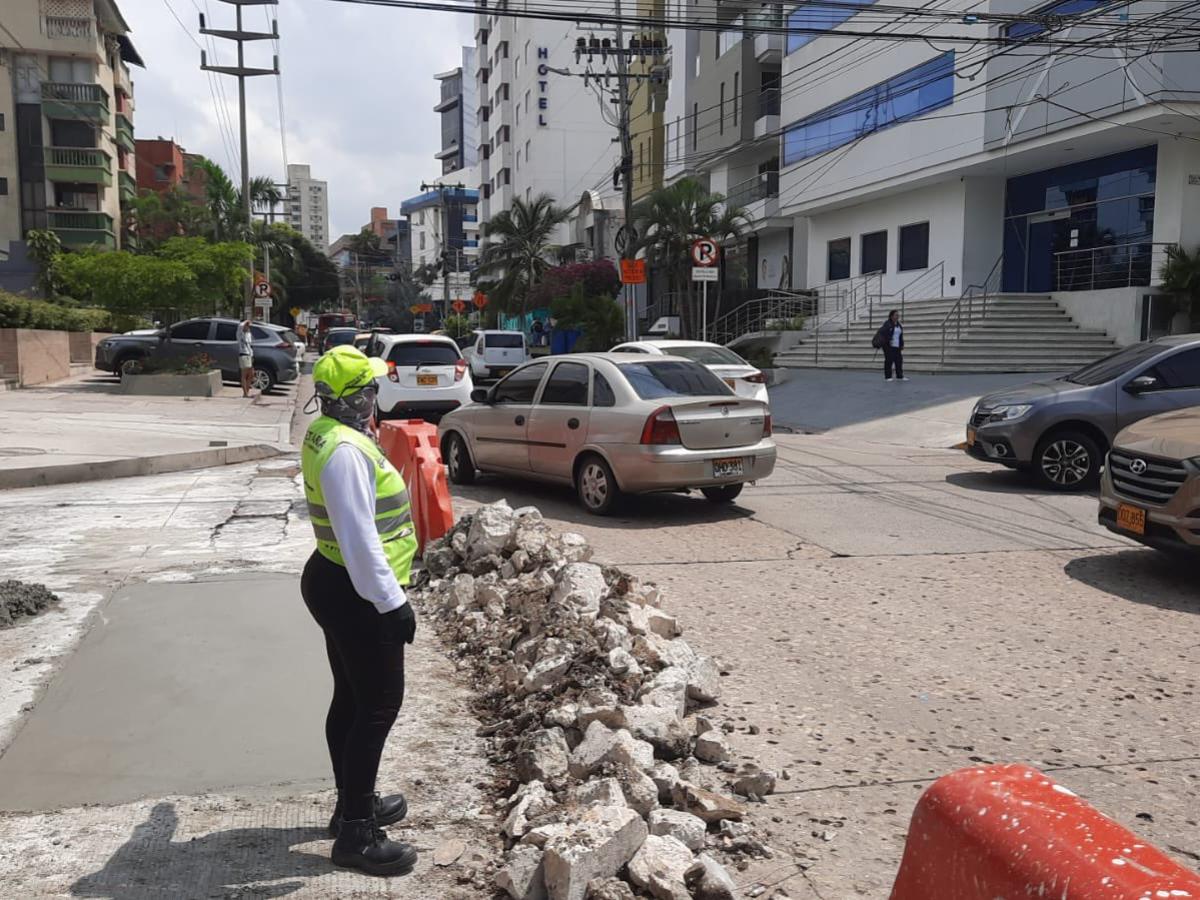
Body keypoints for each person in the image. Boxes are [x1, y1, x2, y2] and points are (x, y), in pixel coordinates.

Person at [300, 345, 419, 877]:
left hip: (336, 582)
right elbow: (359, 539)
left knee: (350, 700)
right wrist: (392, 604)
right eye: (370, 388)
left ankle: (354, 803)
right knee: (377, 706)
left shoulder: (329, 433)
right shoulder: (346, 451)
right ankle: (355, 835)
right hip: (356, 589)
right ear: (356, 397)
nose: (377, 395)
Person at [879, 309, 908, 382]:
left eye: (898, 315)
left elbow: (900, 336)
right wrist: (888, 340)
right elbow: (883, 334)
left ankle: (899, 375)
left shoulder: (899, 325)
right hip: (889, 346)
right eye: (896, 315)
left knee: (899, 361)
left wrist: (902, 344)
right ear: (891, 316)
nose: (898, 316)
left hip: (897, 346)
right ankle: (888, 376)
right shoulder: (887, 324)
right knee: (889, 361)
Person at [237, 319, 255, 397]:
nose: (247, 327)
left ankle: (247, 391)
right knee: (244, 374)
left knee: (251, 374)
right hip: (243, 354)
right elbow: (241, 326)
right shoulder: (239, 333)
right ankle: (245, 393)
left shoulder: (248, 334)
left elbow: (250, 345)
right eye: (247, 325)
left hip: (249, 354)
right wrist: (247, 321)